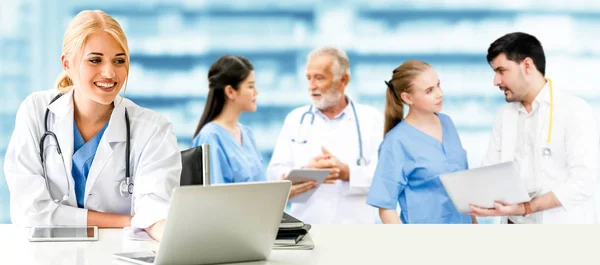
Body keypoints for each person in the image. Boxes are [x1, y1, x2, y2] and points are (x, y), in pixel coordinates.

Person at [3, 10, 181, 240]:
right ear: (67, 63)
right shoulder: (36, 111)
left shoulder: (153, 128)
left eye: (119, 61)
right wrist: (126, 221)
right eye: (95, 60)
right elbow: (30, 211)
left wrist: (163, 229)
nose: (109, 72)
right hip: (45, 256)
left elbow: (156, 211)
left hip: (116, 255)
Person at [468, 32, 599, 224]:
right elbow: (490, 171)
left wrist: (527, 207)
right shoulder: (504, 115)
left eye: (502, 71)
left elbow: (583, 182)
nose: (496, 81)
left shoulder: (573, 110)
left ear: (527, 65)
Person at [267, 47, 383, 224]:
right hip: (308, 229)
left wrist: (347, 173)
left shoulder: (371, 119)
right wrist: (305, 171)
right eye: (308, 78)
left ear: (343, 80)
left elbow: (385, 179)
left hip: (356, 231)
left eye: (319, 78)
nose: (311, 86)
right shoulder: (295, 119)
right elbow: (274, 176)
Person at [366, 60, 475, 224]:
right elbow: (386, 208)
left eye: (438, 85)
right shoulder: (396, 142)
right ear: (408, 98)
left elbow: (464, 191)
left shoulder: (447, 123)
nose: (440, 93)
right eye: (429, 90)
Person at [191, 55, 265, 184]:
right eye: (250, 86)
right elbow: (214, 196)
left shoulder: (247, 133)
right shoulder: (210, 137)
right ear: (230, 91)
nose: (256, 92)